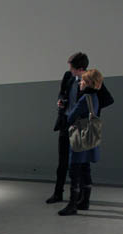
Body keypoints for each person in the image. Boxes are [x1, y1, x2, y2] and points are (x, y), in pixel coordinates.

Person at [46, 52, 114, 204]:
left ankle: (80, 198)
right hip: (66, 123)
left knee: (81, 164)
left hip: (81, 128)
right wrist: (61, 101)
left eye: (71, 67)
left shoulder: (90, 80)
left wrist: (89, 110)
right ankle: (58, 193)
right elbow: (62, 93)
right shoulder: (68, 77)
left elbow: (108, 99)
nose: (69, 70)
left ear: (80, 68)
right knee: (63, 162)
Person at [58, 69, 103, 216]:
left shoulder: (84, 98)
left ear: (88, 82)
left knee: (74, 171)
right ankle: (85, 201)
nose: (80, 83)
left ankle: (72, 204)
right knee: (86, 169)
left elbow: (71, 116)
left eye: (82, 81)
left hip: (80, 139)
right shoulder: (95, 97)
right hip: (89, 139)